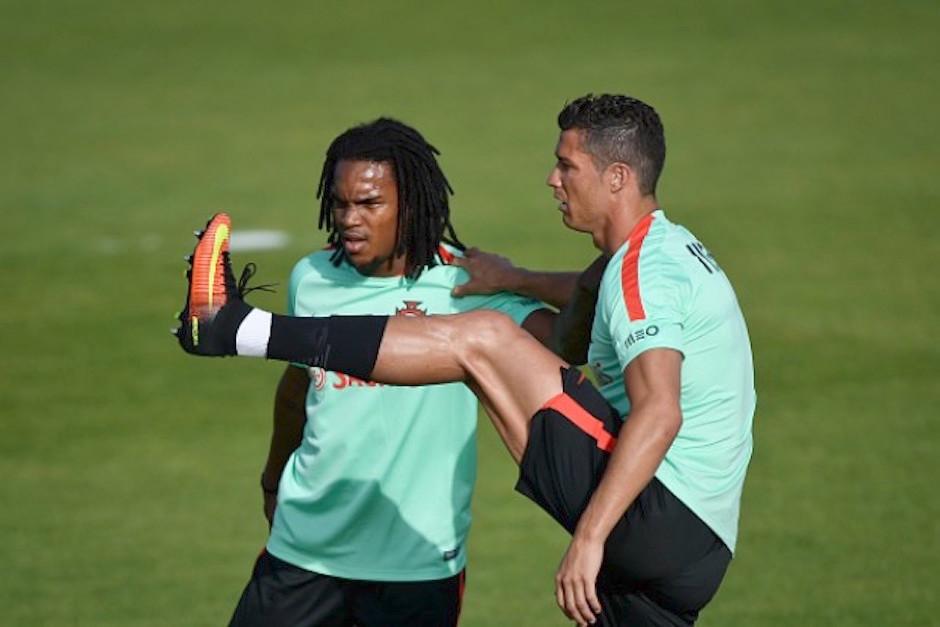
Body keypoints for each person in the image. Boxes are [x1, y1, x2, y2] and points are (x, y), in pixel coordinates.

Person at [177, 94, 756, 626]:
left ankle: (235, 328)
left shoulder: (638, 274)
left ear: (618, 177)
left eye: (568, 166)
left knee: (484, 337)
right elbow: (579, 325)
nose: (553, 179)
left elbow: (659, 410)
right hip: (698, 550)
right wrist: (519, 277)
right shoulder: (661, 253)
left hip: (652, 511)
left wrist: (589, 538)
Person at [222, 118, 557, 627]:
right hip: (304, 550)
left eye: (369, 204)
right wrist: (272, 480)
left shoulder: (467, 286)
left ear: (411, 205)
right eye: (340, 203)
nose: (349, 219)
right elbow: (296, 391)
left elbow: (572, 341)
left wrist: (524, 281)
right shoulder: (311, 278)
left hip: (416, 564)